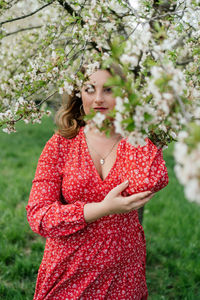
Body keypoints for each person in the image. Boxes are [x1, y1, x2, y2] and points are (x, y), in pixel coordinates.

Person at [26, 69, 169, 300]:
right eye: (89, 89)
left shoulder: (134, 141)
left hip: (123, 270)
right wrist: (104, 208)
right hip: (69, 269)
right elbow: (39, 216)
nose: (99, 98)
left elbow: (153, 179)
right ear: (79, 94)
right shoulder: (61, 145)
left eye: (109, 89)